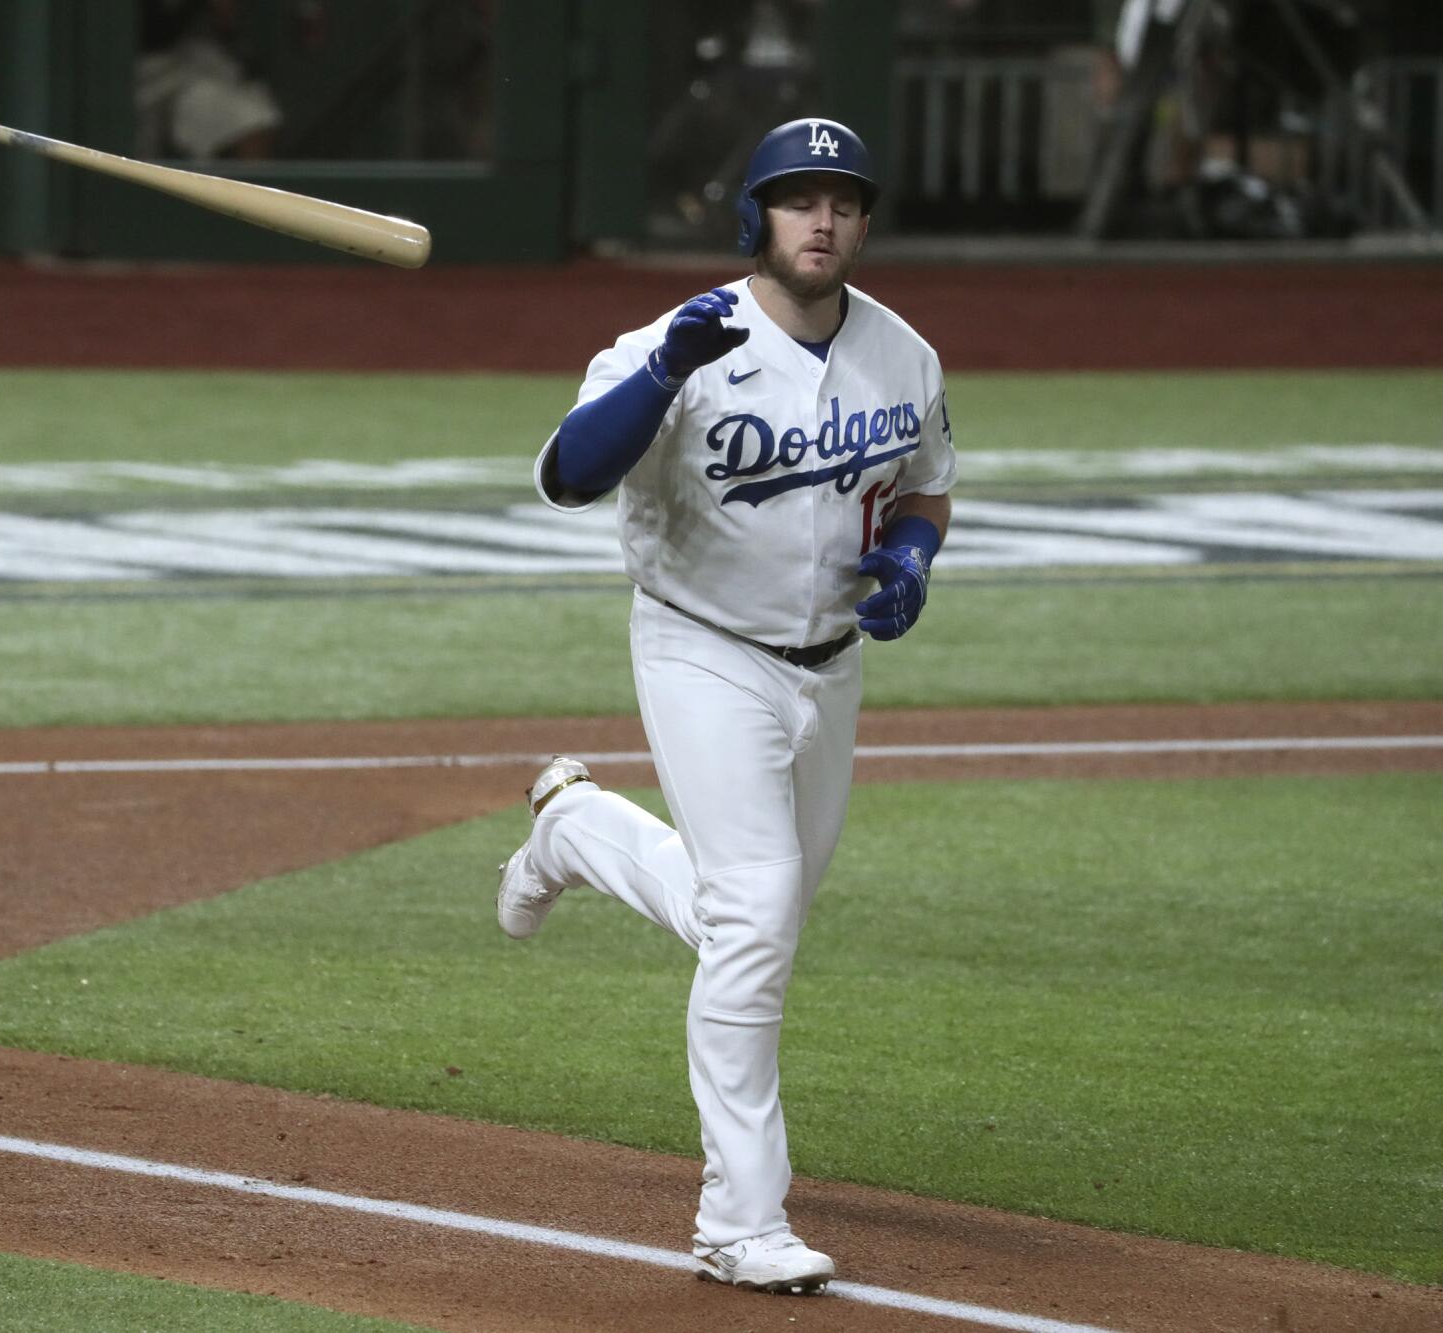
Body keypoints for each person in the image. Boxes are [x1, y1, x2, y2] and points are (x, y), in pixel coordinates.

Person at [495, 117, 956, 1296]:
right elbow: (564, 475)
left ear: (862, 220)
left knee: (751, 918)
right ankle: (737, 1219)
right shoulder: (679, 340)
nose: (821, 220)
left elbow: (924, 489)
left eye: (841, 202)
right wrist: (659, 378)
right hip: (701, 648)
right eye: (796, 199)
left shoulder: (902, 354)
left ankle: (577, 830)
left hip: (832, 665)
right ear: (753, 216)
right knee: (754, 916)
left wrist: (909, 560)